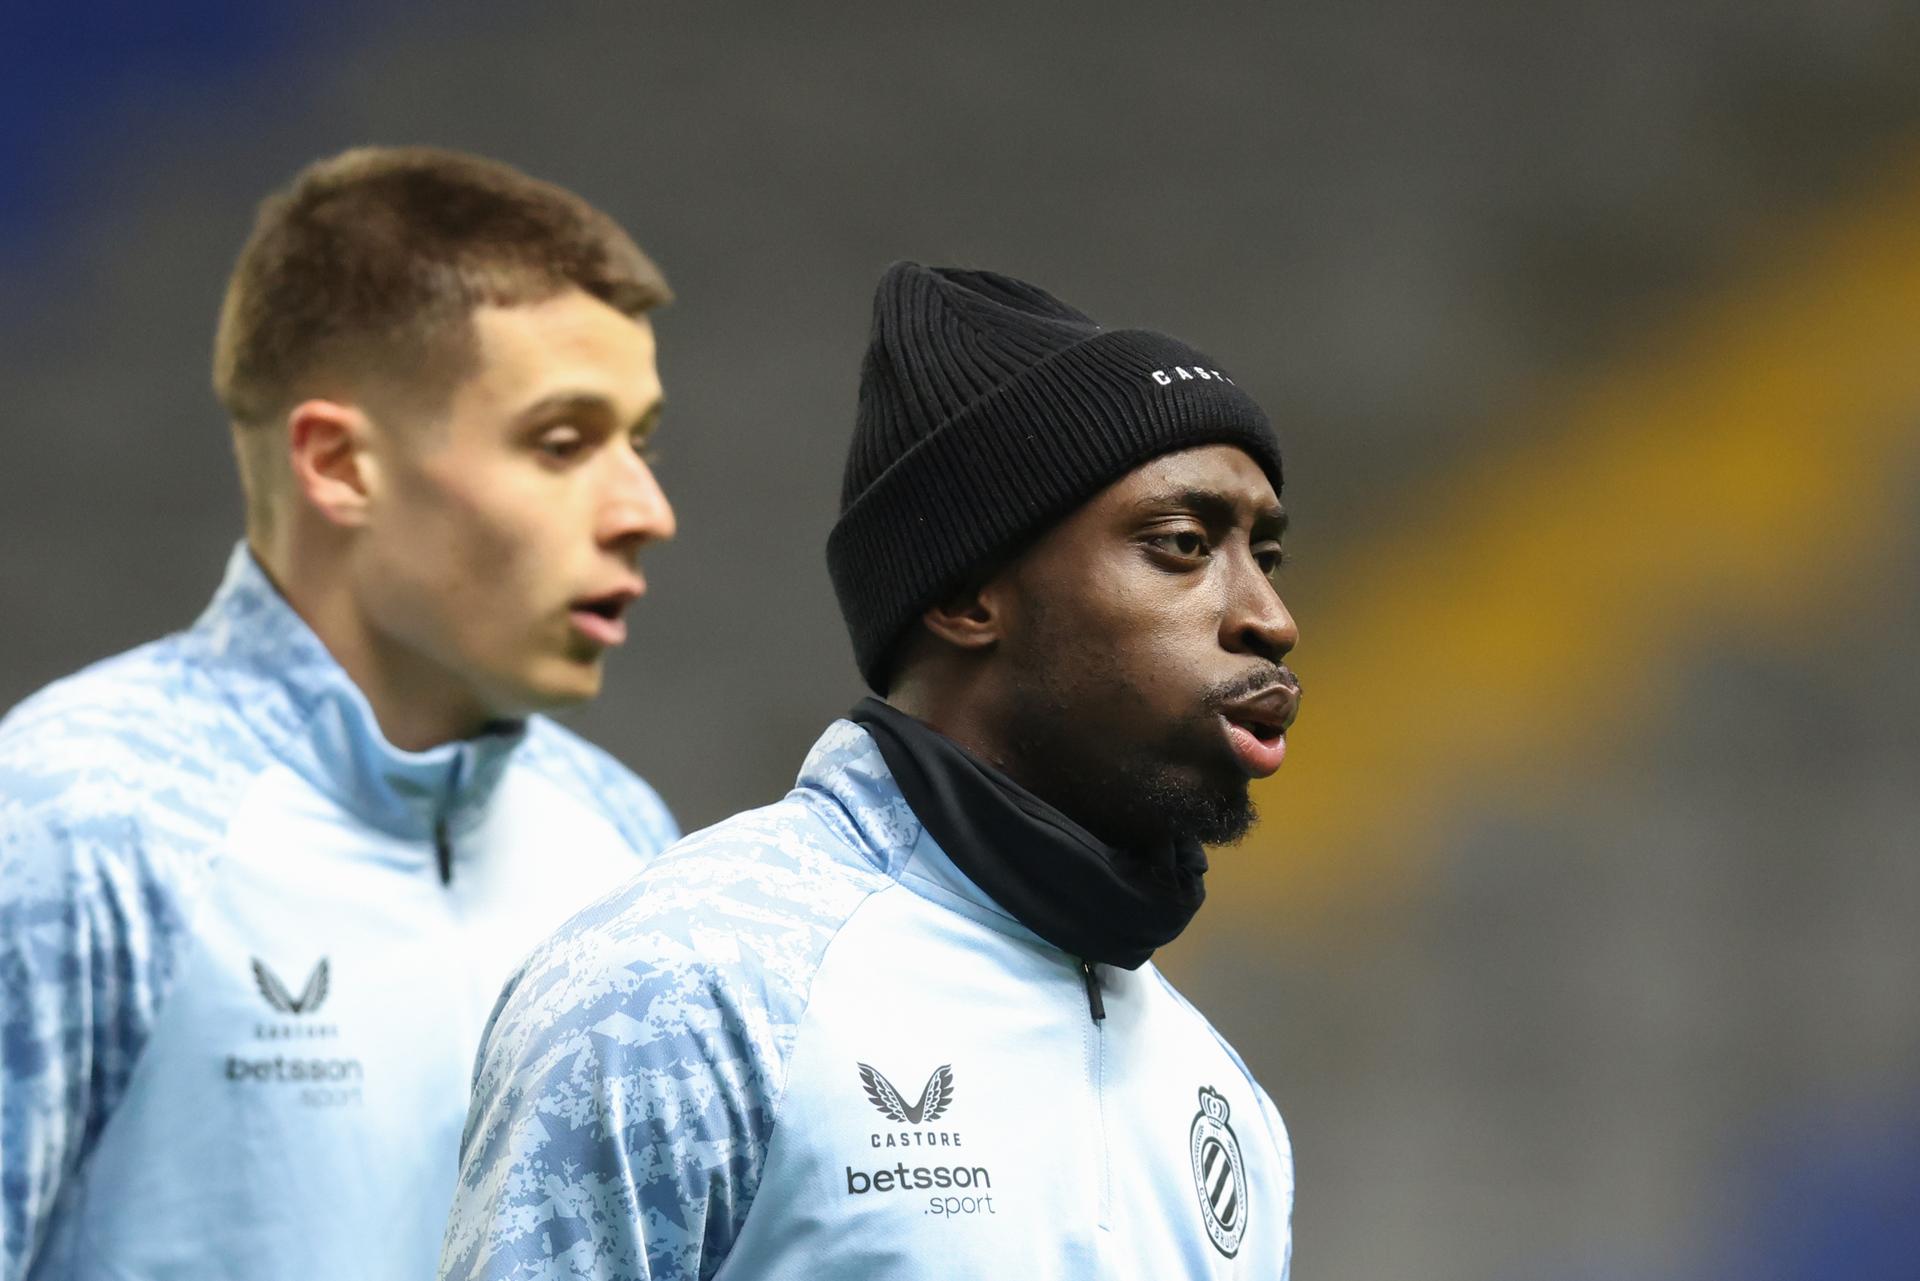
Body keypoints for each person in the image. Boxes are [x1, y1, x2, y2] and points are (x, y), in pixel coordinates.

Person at [440, 262, 1300, 1279]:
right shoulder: (682, 991)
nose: (1269, 620)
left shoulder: (1218, 1093)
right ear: (967, 594)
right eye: (1183, 543)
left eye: (1265, 556)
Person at [0, 147, 682, 1281]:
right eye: (563, 442)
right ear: (339, 464)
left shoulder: (625, 842)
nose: (644, 509)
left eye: (640, 441)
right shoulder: (66, 823)